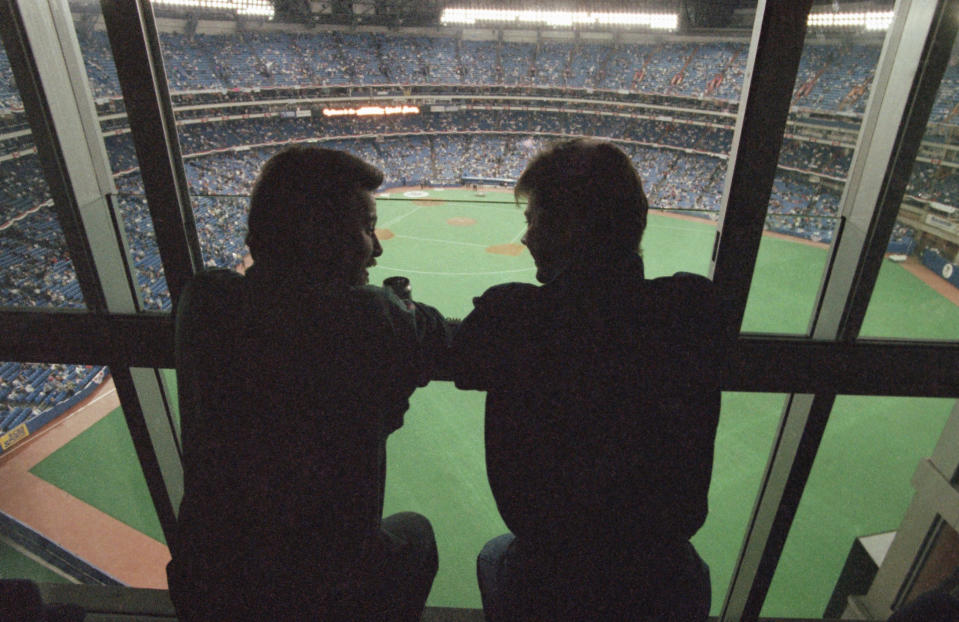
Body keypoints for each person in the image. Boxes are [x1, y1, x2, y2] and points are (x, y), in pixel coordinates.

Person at [167, 145, 449, 621]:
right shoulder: (370, 318)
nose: (377, 248)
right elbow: (436, 336)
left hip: (205, 589)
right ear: (317, 235)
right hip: (322, 597)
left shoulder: (204, 299)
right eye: (365, 227)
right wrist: (391, 307)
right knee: (416, 534)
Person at [451, 138, 723, 620]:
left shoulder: (513, 315)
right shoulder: (693, 307)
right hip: (665, 573)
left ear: (571, 226)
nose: (526, 237)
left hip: (553, 575)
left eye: (534, 219)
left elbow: (465, 357)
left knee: (497, 552)